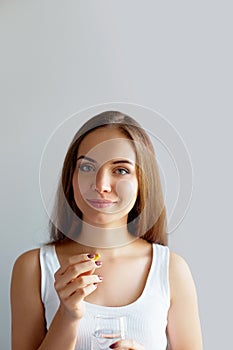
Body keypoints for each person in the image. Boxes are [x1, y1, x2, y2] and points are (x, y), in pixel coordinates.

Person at [10, 111, 203, 350]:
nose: (101, 185)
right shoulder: (32, 268)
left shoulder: (171, 269)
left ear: (142, 181)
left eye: (120, 170)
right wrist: (68, 316)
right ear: (71, 177)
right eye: (87, 167)